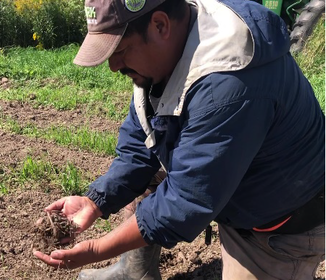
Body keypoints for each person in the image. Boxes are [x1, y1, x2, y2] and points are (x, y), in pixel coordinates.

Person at [33, 0, 326, 278]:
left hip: (279, 223)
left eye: (120, 49)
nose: (113, 65)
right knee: (155, 169)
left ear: (160, 26)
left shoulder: (228, 86)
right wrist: (94, 202)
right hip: (238, 182)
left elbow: (186, 201)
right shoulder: (173, 45)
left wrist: (97, 249)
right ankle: (137, 271)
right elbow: (142, 141)